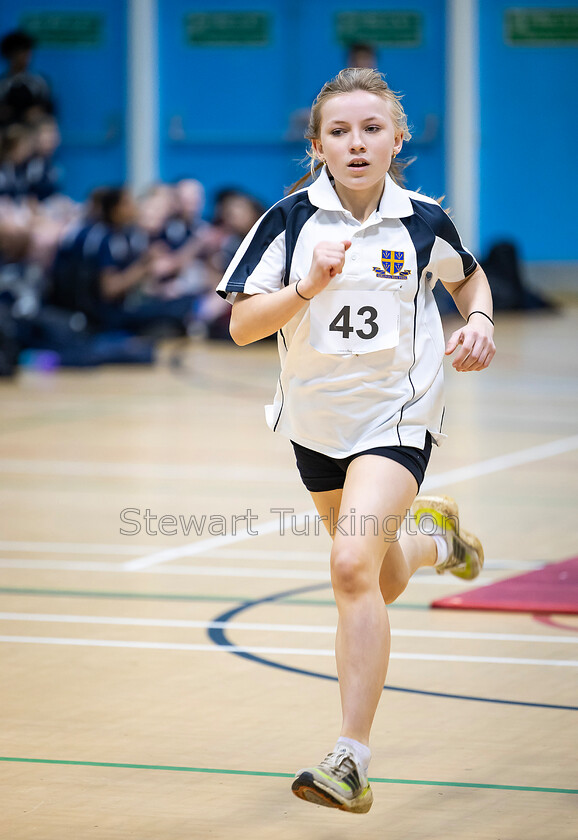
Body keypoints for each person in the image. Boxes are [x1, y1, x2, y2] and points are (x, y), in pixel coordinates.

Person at [216, 68, 495, 814]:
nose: (357, 141)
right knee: (379, 575)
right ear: (317, 146)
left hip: (398, 418)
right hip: (315, 424)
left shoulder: (423, 220)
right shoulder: (286, 221)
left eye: (372, 128)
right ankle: (437, 542)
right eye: (339, 131)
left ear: (397, 139)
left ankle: (350, 758)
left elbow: (469, 279)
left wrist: (481, 320)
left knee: (347, 567)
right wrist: (305, 287)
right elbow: (242, 326)